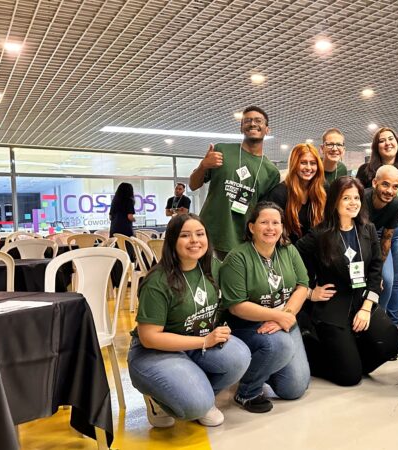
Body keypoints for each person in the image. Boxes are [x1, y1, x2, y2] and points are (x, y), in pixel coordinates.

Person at [127, 213, 250, 428]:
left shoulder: (212, 266)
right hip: (154, 351)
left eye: (200, 234)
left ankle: (201, 397)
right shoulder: (157, 281)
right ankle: (159, 396)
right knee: (194, 404)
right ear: (172, 241)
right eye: (185, 235)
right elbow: (149, 337)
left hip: (195, 342)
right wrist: (205, 341)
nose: (194, 240)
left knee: (239, 356)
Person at [296, 177, 398, 386]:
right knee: (349, 377)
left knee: (392, 344)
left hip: (361, 301)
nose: (353, 203)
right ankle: (310, 345)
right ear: (335, 201)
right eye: (346, 198)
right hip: (332, 307)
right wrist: (309, 292)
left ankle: (349, 357)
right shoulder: (319, 234)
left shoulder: (368, 229)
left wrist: (366, 307)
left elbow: (376, 270)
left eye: (356, 198)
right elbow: (291, 259)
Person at [219, 202, 311, 413]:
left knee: (294, 388)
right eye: (264, 222)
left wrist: (286, 315)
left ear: (282, 227)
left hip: (284, 319)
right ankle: (247, 392)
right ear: (252, 227)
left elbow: (303, 286)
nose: (271, 228)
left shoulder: (289, 250)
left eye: (276, 223)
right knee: (280, 346)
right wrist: (278, 316)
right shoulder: (237, 258)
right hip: (247, 325)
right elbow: (236, 306)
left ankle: (263, 367)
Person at [189, 106, 281, 259]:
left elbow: (264, 212)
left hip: (241, 240)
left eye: (258, 121)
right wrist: (203, 165)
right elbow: (193, 185)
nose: (253, 124)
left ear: (267, 129)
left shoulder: (271, 172)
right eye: (247, 121)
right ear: (241, 127)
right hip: (207, 235)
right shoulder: (221, 150)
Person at [356, 127, 398, 325]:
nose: (387, 143)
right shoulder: (366, 170)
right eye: (382, 140)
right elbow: (356, 199)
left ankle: (392, 323)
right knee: (386, 278)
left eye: (390, 139)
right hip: (374, 229)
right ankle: (378, 319)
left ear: (397, 143)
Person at [361, 165, 398, 324]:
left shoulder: (396, 204)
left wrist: (377, 273)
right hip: (356, 239)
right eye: (385, 184)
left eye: (395, 187)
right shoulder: (361, 199)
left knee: (386, 280)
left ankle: (379, 317)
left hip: (376, 239)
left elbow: (386, 238)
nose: (390, 191)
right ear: (374, 183)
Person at [264, 143, 327, 243]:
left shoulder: (323, 190)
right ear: (294, 164)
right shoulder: (280, 193)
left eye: (313, 163)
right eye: (303, 163)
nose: (308, 167)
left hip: (314, 249)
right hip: (288, 249)